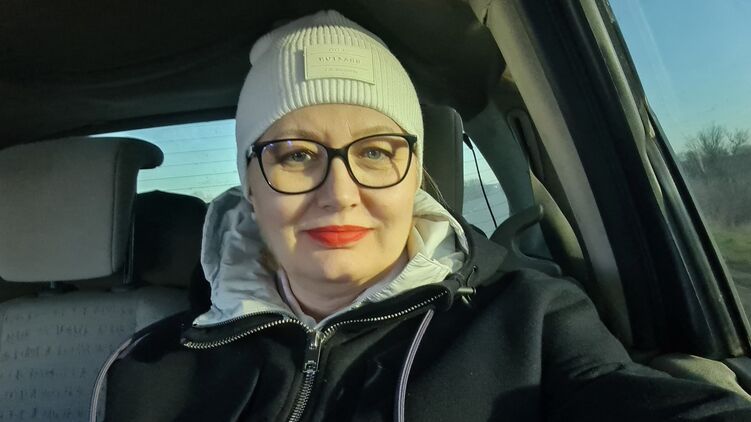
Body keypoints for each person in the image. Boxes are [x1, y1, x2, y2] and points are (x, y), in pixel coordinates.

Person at [98, 10, 751, 421]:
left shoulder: (529, 323)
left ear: (413, 174)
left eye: (375, 152)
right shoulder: (148, 370)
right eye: (296, 155)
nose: (340, 193)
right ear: (250, 185)